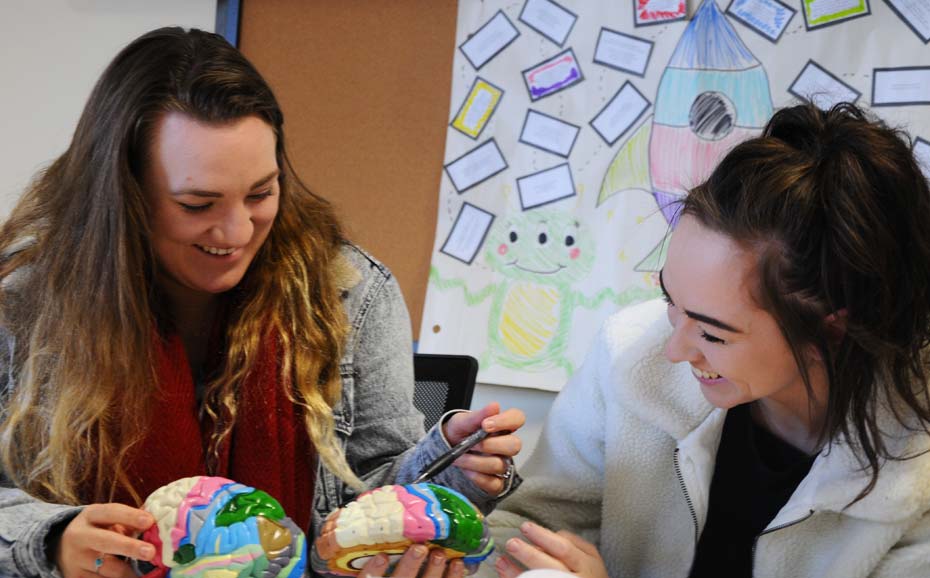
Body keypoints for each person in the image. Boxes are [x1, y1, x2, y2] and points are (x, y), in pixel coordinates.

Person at [0, 27, 524, 578]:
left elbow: (367, 497)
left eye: (260, 194)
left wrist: (455, 468)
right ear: (123, 194)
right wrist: (52, 540)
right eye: (197, 203)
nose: (236, 230)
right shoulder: (22, 302)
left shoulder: (349, 291)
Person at [484, 102, 930, 578]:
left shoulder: (914, 466)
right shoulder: (635, 354)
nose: (675, 350)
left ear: (834, 325)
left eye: (714, 333)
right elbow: (526, 528)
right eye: (669, 298)